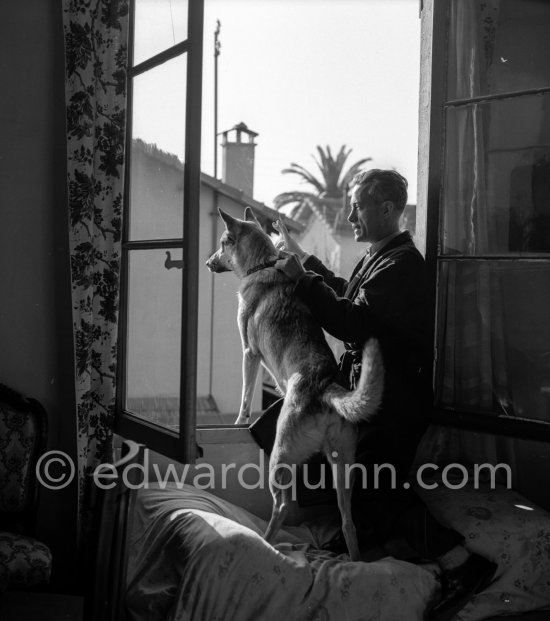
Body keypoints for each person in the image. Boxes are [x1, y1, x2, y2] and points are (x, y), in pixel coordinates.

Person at [263, 169, 496, 620]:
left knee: (380, 485)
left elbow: (353, 322)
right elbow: (351, 299)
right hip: (378, 397)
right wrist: (306, 267)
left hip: (396, 404)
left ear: (387, 209)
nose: (349, 214)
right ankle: (359, 541)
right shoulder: (381, 256)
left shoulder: (402, 265)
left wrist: (303, 283)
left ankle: (463, 565)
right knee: (366, 481)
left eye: (357, 205)